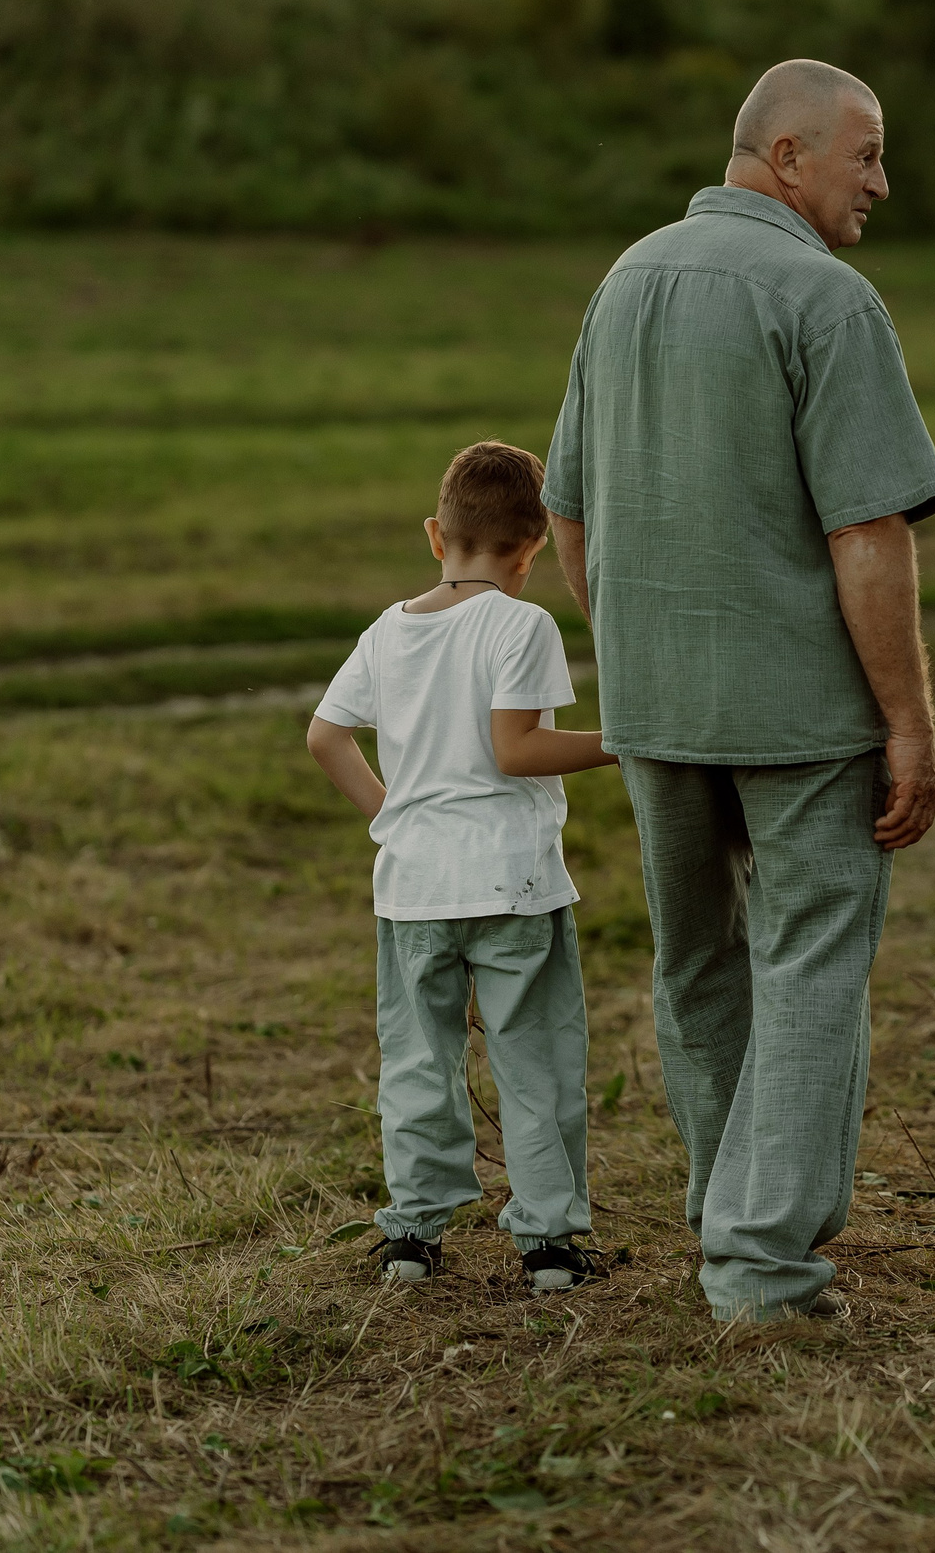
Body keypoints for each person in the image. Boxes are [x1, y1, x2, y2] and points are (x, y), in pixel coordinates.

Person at [542, 59, 935, 1323]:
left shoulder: (626, 278)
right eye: (864, 155)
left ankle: (728, 1213)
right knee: (811, 960)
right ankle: (762, 1265)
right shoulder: (827, 298)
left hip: (657, 705)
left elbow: (569, 509)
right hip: (801, 712)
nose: (881, 182)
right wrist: (908, 722)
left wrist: (638, 645)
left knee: (697, 963)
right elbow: (868, 533)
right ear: (787, 156)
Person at [305, 440, 619, 1293]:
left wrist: (393, 818)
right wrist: (622, 741)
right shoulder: (523, 625)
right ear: (533, 549)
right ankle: (548, 1245)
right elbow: (516, 750)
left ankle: (413, 1235)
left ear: (435, 535)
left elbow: (326, 736)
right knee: (535, 1061)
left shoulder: (386, 630)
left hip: (413, 887)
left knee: (418, 1060)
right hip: (513, 884)